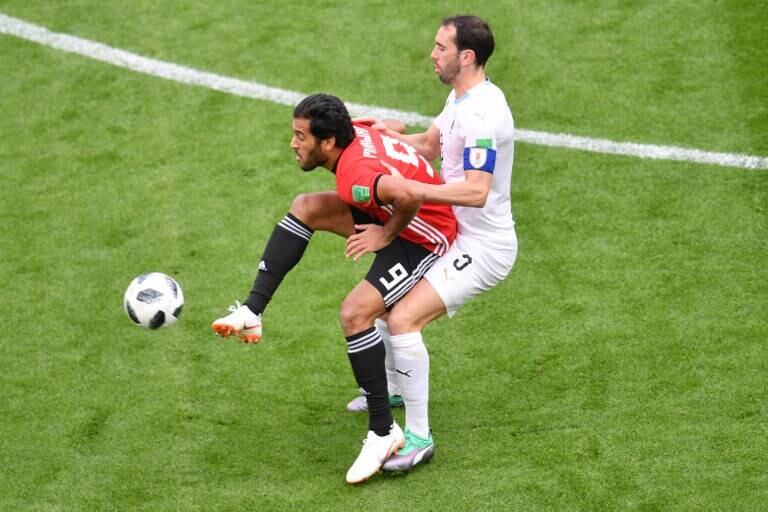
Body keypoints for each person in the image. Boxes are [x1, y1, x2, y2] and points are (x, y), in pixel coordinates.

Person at [210, 93, 457, 483]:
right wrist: (388, 141)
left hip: (423, 238)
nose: (293, 144)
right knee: (306, 206)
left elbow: (409, 195)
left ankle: (383, 432)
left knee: (355, 314)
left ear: (328, 143)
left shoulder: (355, 174)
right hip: (386, 211)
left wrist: (385, 235)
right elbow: (390, 127)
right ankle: (252, 311)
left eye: (300, 136)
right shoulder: (352, 132)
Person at [346, 15, 518, 472]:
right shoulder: (461, 97)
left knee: (403, 319)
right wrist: (385, 136)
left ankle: (419, 438)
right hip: (454, 233)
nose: (432, 54)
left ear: (467, 56)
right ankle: (395, 388)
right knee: (385, 302)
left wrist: (413, 191)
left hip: (483, 248)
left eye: (441, 48)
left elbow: (477, 191)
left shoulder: (482, 115)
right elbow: (427, 145)